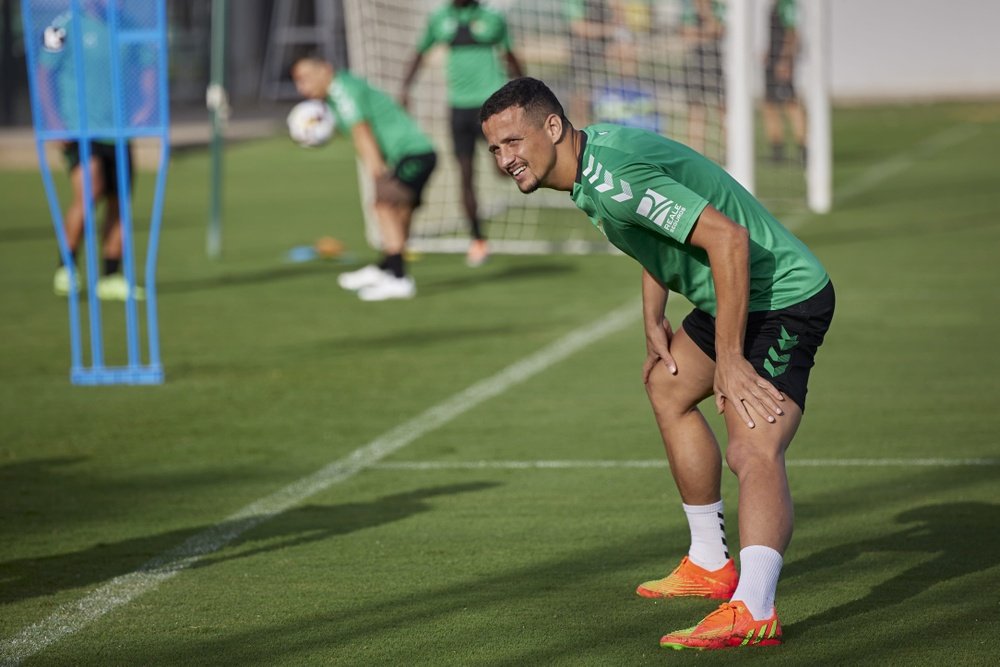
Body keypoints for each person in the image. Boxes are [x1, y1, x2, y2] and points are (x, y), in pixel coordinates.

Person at [480, 77, 834, 650]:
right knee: (666, 386)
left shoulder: (610, 178)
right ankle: (709, 562)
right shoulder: (591, 165)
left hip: (782, 297)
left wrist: (730, 360)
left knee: (752, 443)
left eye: (513, 142)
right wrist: (654, 317)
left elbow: (729, 240)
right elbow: (659, 232)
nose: (505, 159)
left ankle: (756, 608)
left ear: (551, 127)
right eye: (495, 149)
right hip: (731, 295)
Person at [292, 56, 437, 301]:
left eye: (306, 78)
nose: (301, 87)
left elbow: (362, 131)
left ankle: (399, 279)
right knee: (399, 211)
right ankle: (386, 269)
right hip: (413, 154)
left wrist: (377, 175)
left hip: (413, 154)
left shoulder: (341, 90)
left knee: (383, 204)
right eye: (297, 81)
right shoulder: (341, 92)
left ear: (326, 70)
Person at [38, 0, 153, 301]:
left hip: (118, 130)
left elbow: (146, 65)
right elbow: (44, 76)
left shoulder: (127, 25)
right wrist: (54, 122)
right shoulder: (63, 27)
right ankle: (66, 266)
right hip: (80, 129)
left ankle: (111, 275)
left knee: (119, 201)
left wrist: (147, 106)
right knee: (90, 192)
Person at [400, 0, 523, 267]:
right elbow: (420, 53)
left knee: (504, 169)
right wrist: (405, 88)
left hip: (490, 106)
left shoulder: (492, 17)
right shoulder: (439, 18)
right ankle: (478, 240)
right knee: (465, 175)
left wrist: (527, 92)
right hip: (458, 108)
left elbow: (510, 54)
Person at [763, 0, 807, 164]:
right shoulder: (774, 5)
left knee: (790, 104)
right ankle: (777, 150)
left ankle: (804, 149)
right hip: (773, 61)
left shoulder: (787, 4)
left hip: (782, 62)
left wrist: (786, 60)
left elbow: (792, 33)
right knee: (769, 105)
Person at [680, 0, 725, 155]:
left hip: (716, 63)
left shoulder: (718, 7)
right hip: (695, 64)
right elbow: (687, 36)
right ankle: (695, 151)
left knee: (723, 108)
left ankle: (729, 151)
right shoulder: (688, 8)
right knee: (695, 109)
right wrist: (707, 34)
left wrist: (706, 12)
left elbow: (719, 29)